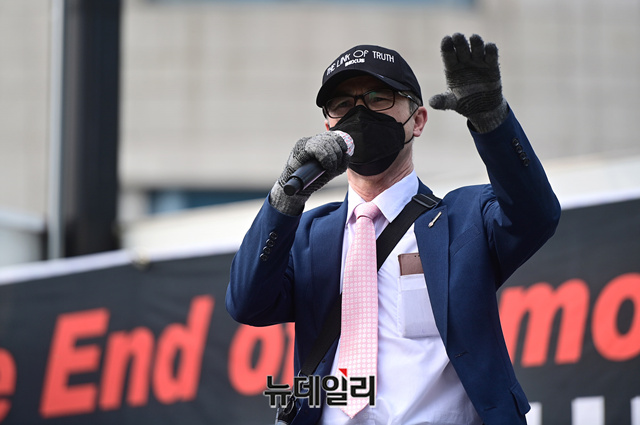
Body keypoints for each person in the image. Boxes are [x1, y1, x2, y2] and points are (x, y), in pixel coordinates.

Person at [226, 33, 560, 425]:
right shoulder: (308, 236)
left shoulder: (465, 217)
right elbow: (247, 303)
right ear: (328, 125)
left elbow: (536, 214)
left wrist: (491, 118)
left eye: (379, 98)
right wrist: (286, 195)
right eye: (342, 104)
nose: (359, 112)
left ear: (417, 120)